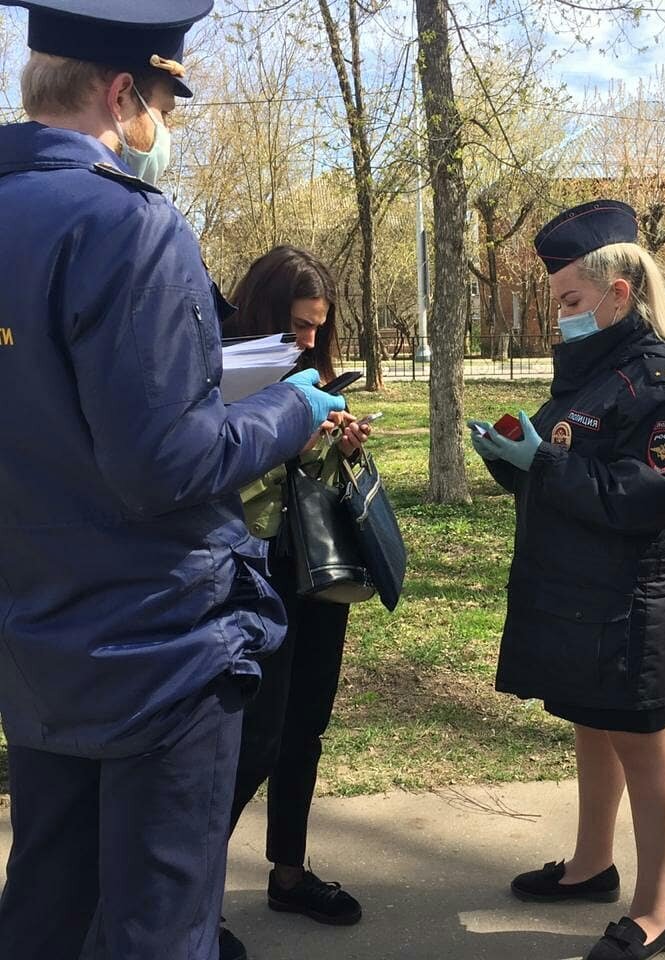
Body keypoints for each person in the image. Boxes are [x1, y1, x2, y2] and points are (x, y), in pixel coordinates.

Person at [0, 5, 346, 959]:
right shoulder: (128, 224)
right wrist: (294, 411)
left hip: (36, 639)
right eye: (163, 102)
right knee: (157, 929)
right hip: (157, 647)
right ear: (122, 96)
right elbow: (167, 465)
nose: (163, 128)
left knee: (47, 914)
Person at [469, 200, 665, 960]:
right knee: (593, 724)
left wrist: (543, 464)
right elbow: (564, 468)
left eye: (571, 302)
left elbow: (644, 499)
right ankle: (591, 866)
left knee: (642, 742)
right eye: (557, 304)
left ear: (619, 292)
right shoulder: (597, 373)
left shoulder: (662, 384)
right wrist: (511, 455)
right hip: (579, 593)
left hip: (628, 600)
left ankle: (655, 911)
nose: (560, 318)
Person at [218, 247, 369, 960]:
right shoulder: (221, 366)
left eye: (318, 327)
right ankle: (193, 897)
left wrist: (345, 445)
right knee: (255, 736)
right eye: (299, 325)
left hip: (316, 564)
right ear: (263, 311)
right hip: (252, 569)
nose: (309, 340)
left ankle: (290, 869)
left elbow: (321, 469)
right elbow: (209, 467)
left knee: (306, 723)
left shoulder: (316, 368)